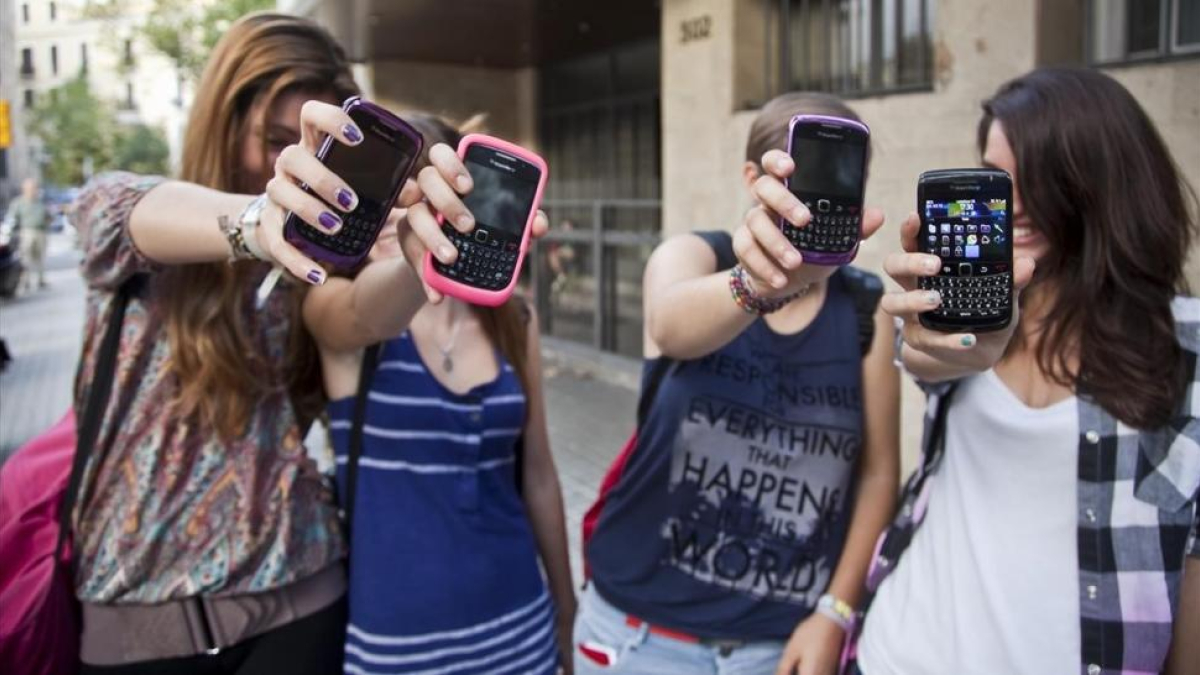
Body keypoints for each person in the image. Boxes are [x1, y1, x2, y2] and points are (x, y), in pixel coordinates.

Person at [64, 14, 459, 674]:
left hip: (301, 603)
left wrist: (422, 263)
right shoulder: (133, 210)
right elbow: (130, 214)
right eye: (277, 141)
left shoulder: (317, 266)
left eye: (311, 149)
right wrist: (256, 221)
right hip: (135, 623)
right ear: (223, 117)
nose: (292, 166)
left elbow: (359, 315)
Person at [855, 66, 1200, 675]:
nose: (1006, 204)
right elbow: (927, 358)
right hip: (895, 653)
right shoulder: (976, 303)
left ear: (1098, 177)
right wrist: (935, 343)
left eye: (1036, 175)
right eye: (994, 177)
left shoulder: (1187, 349)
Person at [577, 92, 900, 675]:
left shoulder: (864, 308)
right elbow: (669, 326)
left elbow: (879, 472)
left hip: (779, 646)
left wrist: (835, 610)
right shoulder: (693, 256)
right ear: (754, 178)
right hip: (640, 634)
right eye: (802, 174)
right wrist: (761, 284)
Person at [300, 111, 576, 674]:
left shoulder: (513, 319)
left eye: (425, 196)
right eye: (388, 193)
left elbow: (539, 476)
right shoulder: (338, 313)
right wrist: (415, 262)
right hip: (395, 650)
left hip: (521, 631)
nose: (401, 215)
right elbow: (359, 312)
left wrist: (567, 611)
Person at [4, 178, 49, 292]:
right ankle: (26, 281)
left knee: (40, 257)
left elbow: (47, 215)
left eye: (34, 188)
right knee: (26, 258)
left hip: (40, 231)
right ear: (24, 189)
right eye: (30, 188)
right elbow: (12, 218)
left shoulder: (40, 202)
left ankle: (41, 279)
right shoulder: (18, 202)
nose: (33, 190)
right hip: (27, 232)